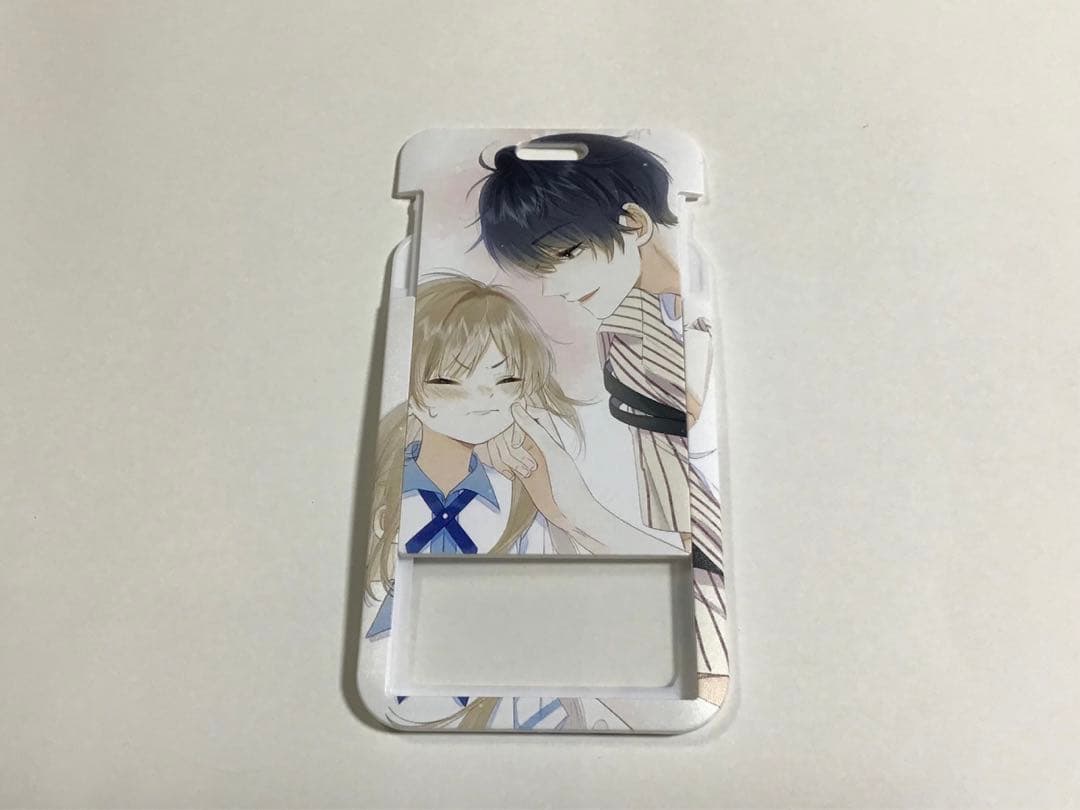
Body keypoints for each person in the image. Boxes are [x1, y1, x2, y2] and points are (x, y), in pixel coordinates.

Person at [475, 133, 729, 704]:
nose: (554, 287)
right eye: (538, 269)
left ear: (634, 223)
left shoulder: (662, 321)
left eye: (565, 255)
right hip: (693, 580)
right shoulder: (620, 332)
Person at [364, 275, 674, 729]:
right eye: (448, 381)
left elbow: (588, 624)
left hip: (525, 710)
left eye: (507, 380)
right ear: (413, 392)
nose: (486, 399)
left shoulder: (530, 496)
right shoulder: (385, 488)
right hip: (394, 700)